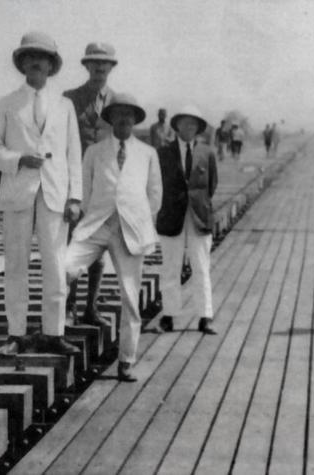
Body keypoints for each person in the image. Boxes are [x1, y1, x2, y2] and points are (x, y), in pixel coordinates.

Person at [0, 31, 83, 357]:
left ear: (51, 65)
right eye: (31, 57)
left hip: (55, 194)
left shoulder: (64, 105)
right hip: (18, 192)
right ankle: (17, 334)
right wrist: (17, 160)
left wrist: (75, 198)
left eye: (43, 57)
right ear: (22, 63)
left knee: (55, 265)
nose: (37, 62)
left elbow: (73, 154)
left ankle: (54, 333)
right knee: (16, 265)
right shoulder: (7, 103)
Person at [65, 93, 162, 382]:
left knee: (131, 297)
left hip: (129, 230)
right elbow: (82, 187)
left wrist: (141, 219)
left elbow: (155, 194)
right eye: (118, 114)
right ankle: (53, 334)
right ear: (110, 119)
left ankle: (126, 361)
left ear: (135, 120)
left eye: (128, 115)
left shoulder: (148, 153)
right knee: (64, 269)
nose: (123, 119)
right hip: (96, 225)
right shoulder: (94, 151)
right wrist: (80, 211)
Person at [62, 41, 118, 328]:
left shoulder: (120, 103)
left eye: (104, 63)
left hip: (105, 188)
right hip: (76, 185)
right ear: (86, 66)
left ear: (111, 67)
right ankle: (67, 307)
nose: (99, 67)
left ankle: (90, 309)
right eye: (94, 62)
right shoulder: (69, 98)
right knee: (72, 245)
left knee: (99, 251)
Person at [156, 106, 219, 335]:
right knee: (170, 267)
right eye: (185, 123)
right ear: (177, 126)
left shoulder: (207, 152)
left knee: (201, 267)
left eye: (193, 124)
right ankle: (169, 316)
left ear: (198, 128)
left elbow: (211, 185)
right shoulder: (163, 152)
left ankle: (205, 317)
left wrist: (197, 205)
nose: (189, 127)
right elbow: (157, 184)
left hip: (198, 218)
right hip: (171, 217)